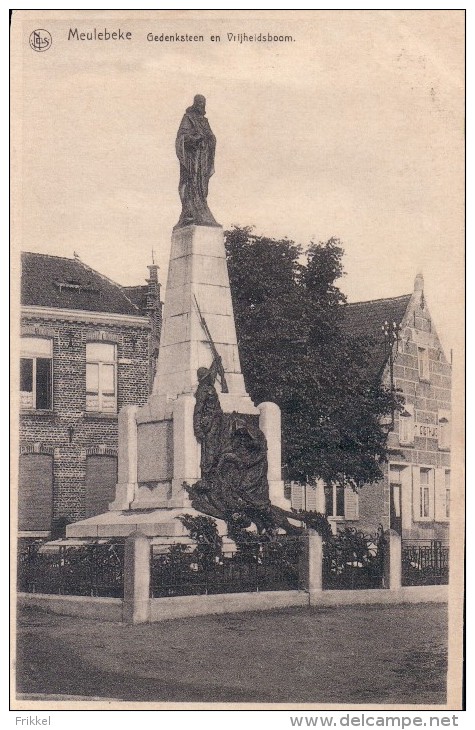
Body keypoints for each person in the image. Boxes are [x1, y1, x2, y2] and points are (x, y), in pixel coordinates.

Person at [175, 94, 219, 228]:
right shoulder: (188, 118)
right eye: (199, 103)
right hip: (192, 159)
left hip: (203, 158)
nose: (201, 106)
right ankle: (190, 212)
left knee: (202, 186)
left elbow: (211, 137)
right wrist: (194, 139)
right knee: (191, 184)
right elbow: (182, 137)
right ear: (195, 103)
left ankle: (202, 211)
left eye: (203, 103)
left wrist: (209, 138)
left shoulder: (205, 121)